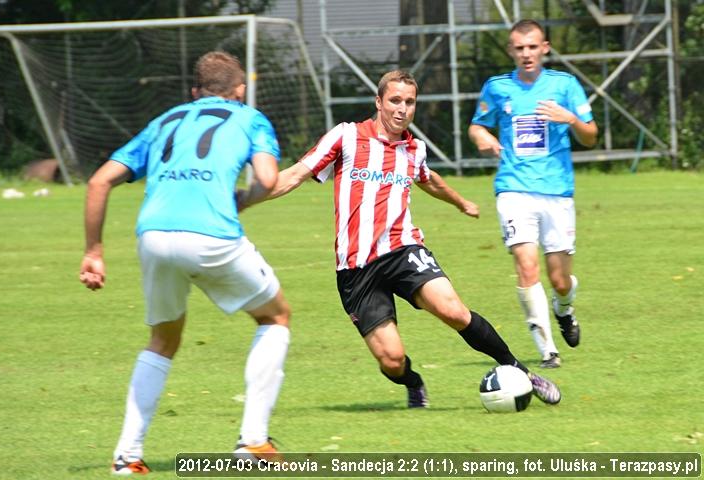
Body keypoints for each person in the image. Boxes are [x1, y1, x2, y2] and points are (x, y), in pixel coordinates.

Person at [242, 69, 561, 410]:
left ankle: (520, 371)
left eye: (409, 102)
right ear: (378, 102)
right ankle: (413, 381)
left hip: (402, 249)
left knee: (453, 310)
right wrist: (241, 200)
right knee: (391, 360)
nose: (402, 109)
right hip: (355, 268)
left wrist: (461, 202)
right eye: (395, 100)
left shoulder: (414, 150)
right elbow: (293, 176)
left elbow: (430, 180)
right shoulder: (346, 137)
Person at [80, 51, 290, 475]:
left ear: (195, 92)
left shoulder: (164, 120)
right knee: (275, 316)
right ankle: (252, 442)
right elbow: (267, 179)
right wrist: (243, 202)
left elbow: (100, 180)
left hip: (153, 235)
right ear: (240, 90)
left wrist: (94, 251)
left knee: (163, 340)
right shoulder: (249, 118)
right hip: (212, 234)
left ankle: (127, 456)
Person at [468, 20, 598, 368]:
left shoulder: (564, 85)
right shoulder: (497, 88)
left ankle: (564, 308)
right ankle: (547, 351)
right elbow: (477, 124)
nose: (526, 54)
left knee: (558, 279)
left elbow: (590, 136)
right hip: (513, 189)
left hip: (557, 192)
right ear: (511, 51)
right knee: (527, 268)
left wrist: (570, 119)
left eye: (532, 47)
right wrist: (483, 137)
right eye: (519, 48)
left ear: (545, 48)